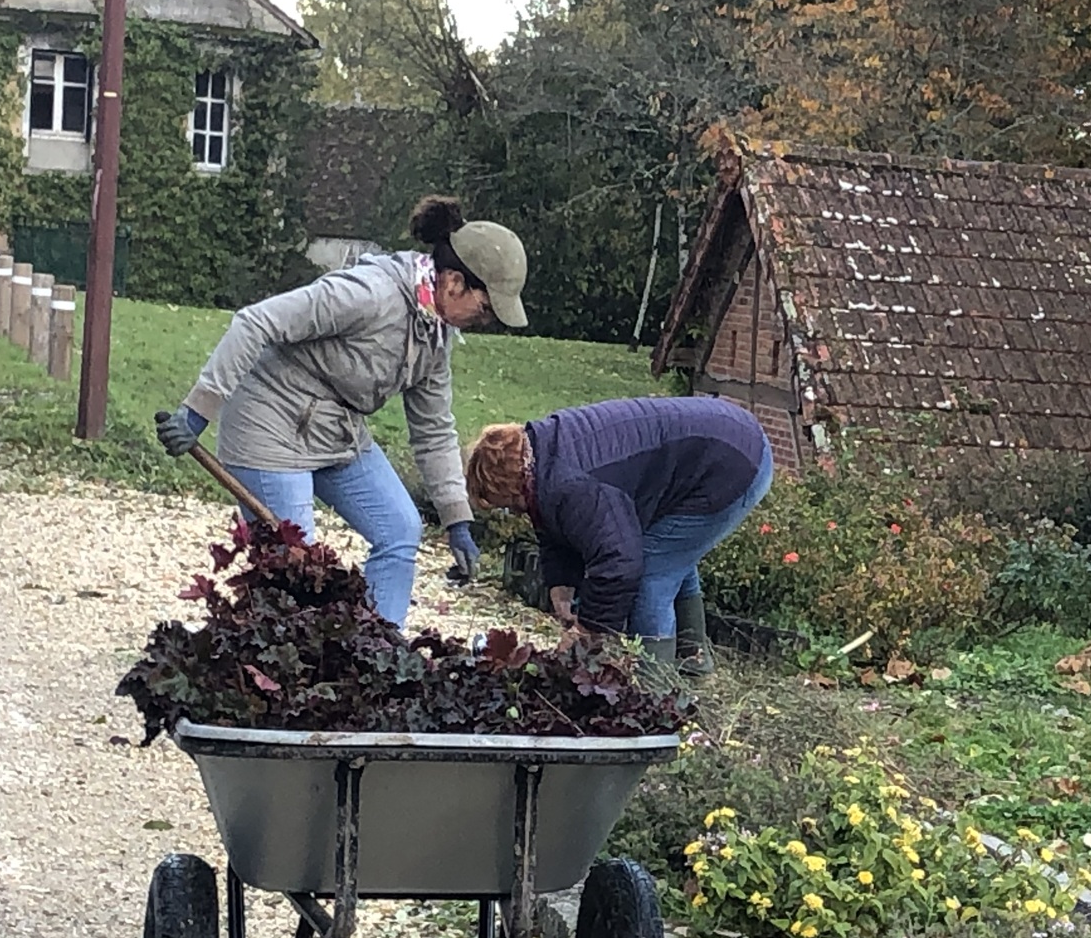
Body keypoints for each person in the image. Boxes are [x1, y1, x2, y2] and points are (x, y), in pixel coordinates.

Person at [154, 197, 528, 628]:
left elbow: (434, 431)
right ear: (454, 282)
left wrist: (456, 518)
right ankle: (276, 677)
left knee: (400, 530)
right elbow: (256, 322)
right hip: (268, 425)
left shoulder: (435, 334)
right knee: (295, 568)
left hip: (335, 431)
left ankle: (378, 655)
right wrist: (196, 413)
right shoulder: (370, 295)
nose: (483, 321)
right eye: (484, 309)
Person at [464, 397, 774, 674]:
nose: (515, 513)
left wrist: (587, 632)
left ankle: (656, 687)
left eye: (509, 505)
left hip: (733, 462)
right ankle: (693, 659)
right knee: (672, 551)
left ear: (512, 485)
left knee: (653, 572)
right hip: (726, 433)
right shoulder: (541, 452)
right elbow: (548, 516)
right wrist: (561, 585)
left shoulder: (573, 484)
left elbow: (620, 564)